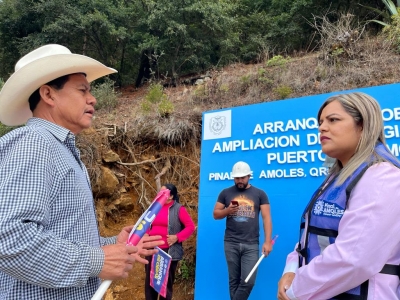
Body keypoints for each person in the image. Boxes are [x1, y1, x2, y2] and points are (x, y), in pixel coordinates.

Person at [0, 44, 164, 299]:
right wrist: (97, 261)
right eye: (82, 90)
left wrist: (112, 246)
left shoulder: (60, 149)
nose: (93, 98)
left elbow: (64, 234)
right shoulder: (33, 143)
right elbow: (10, 239)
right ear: (49, 95)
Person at [277, 92, 400, 300]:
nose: (322, 127)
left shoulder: (382, 177)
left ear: (363, 125)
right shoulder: (337, 177)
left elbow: (354, 258)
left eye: (333, 120)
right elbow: (310, 238)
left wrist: (296, 289)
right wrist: (290, 269)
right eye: (320, 122)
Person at [213, 161, 273, 300]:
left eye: (242, 178)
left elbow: (266, 218)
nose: (239, 181)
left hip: (251, 243)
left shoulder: (260, 194)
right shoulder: (225, 193)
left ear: (249, 176)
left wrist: (267, 241)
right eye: (237, 178)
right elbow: (216, 214)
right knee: (234, 281)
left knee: (248, 281)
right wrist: (228, 210)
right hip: (231, 242)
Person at [144, 183, 196, 300]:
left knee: (165, 284)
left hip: (168, 251)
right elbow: (146, 223)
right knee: (150, 282)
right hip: (152, 249)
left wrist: (177, 237)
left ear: (171, 196)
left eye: (163, 192)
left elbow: (190, 227)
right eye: (159, 192)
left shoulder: (178, 209)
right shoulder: (154, 207)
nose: (160, 194)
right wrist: (146, 234)